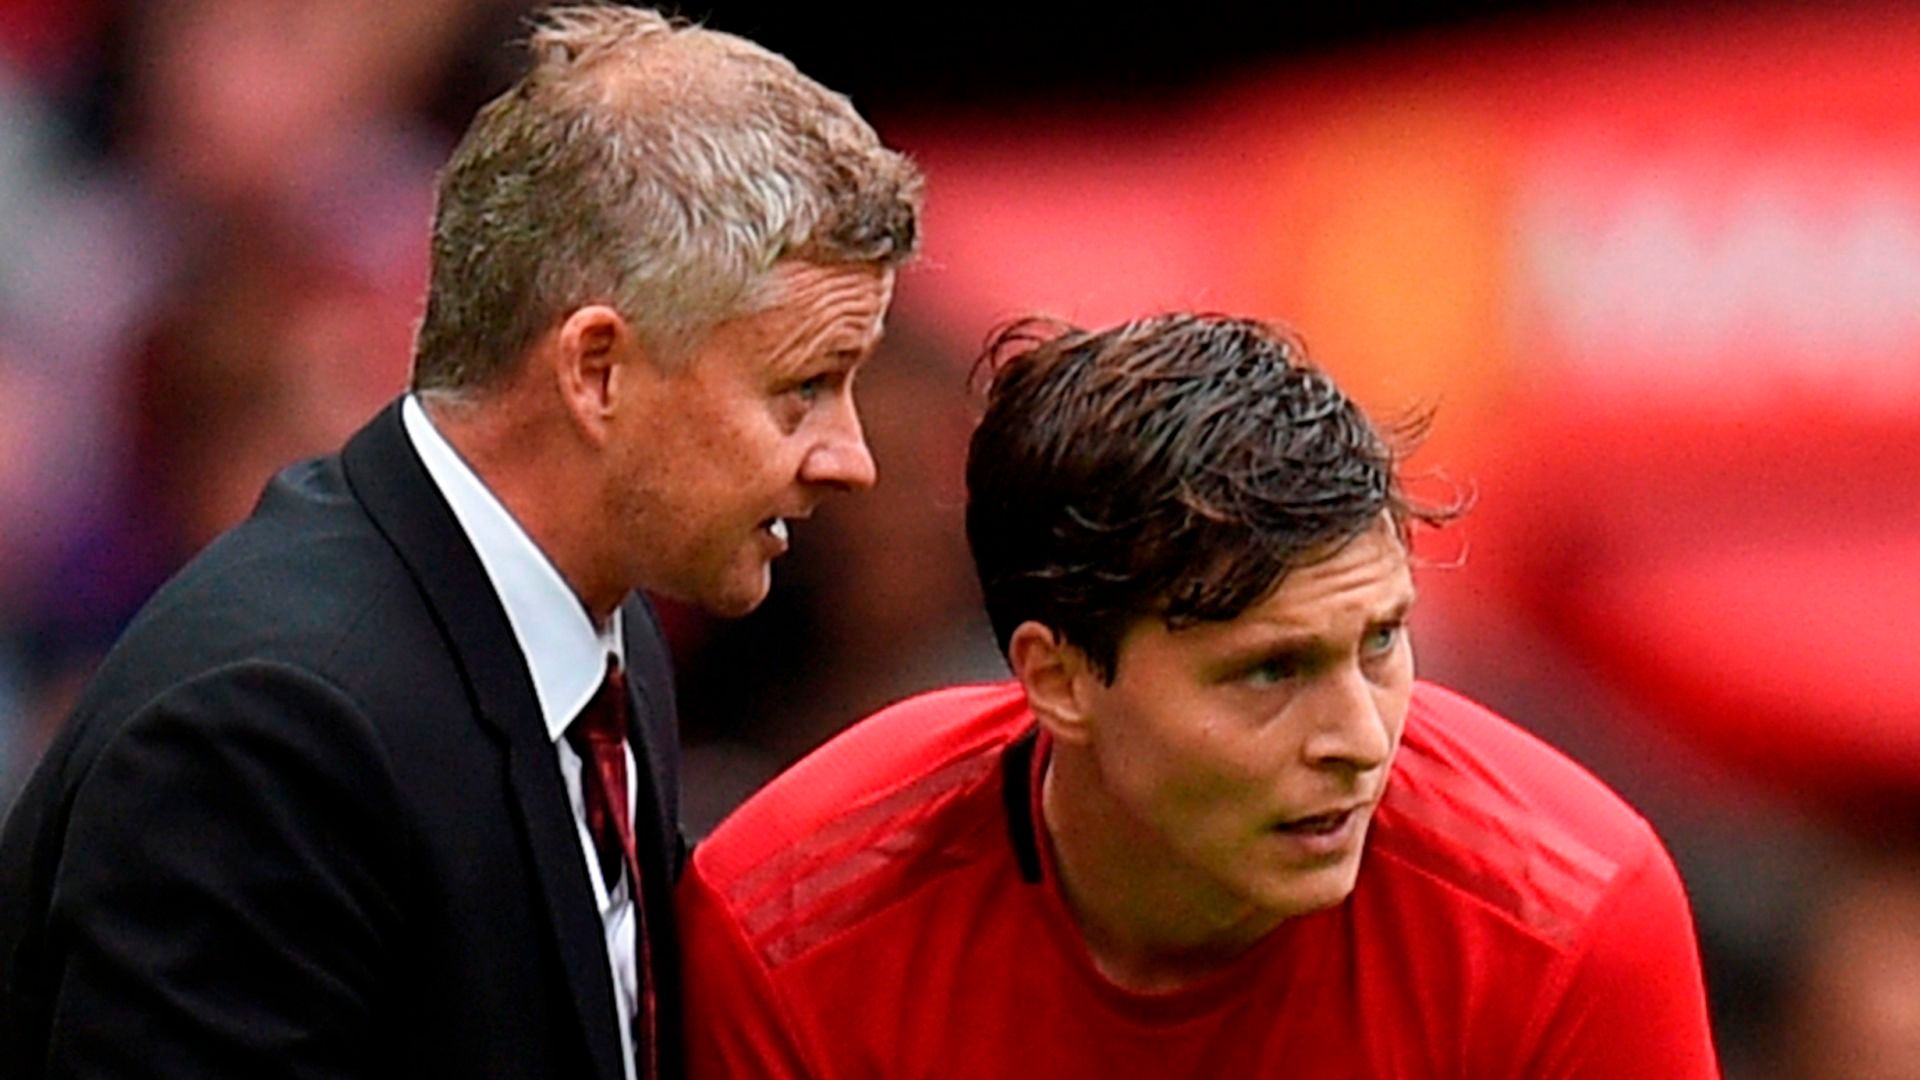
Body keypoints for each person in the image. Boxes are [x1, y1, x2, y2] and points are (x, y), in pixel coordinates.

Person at [0, 4, 921, 1077]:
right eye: (803, 386)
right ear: (597, 372)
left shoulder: (604, 634)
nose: (849, 458)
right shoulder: (264, 737)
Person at [677, 314, 1720, 1077]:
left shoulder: (1574, 920)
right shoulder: (790, 924)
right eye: (1271, 670)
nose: (1361, 740)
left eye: (1382, 642)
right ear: (1060, 677)